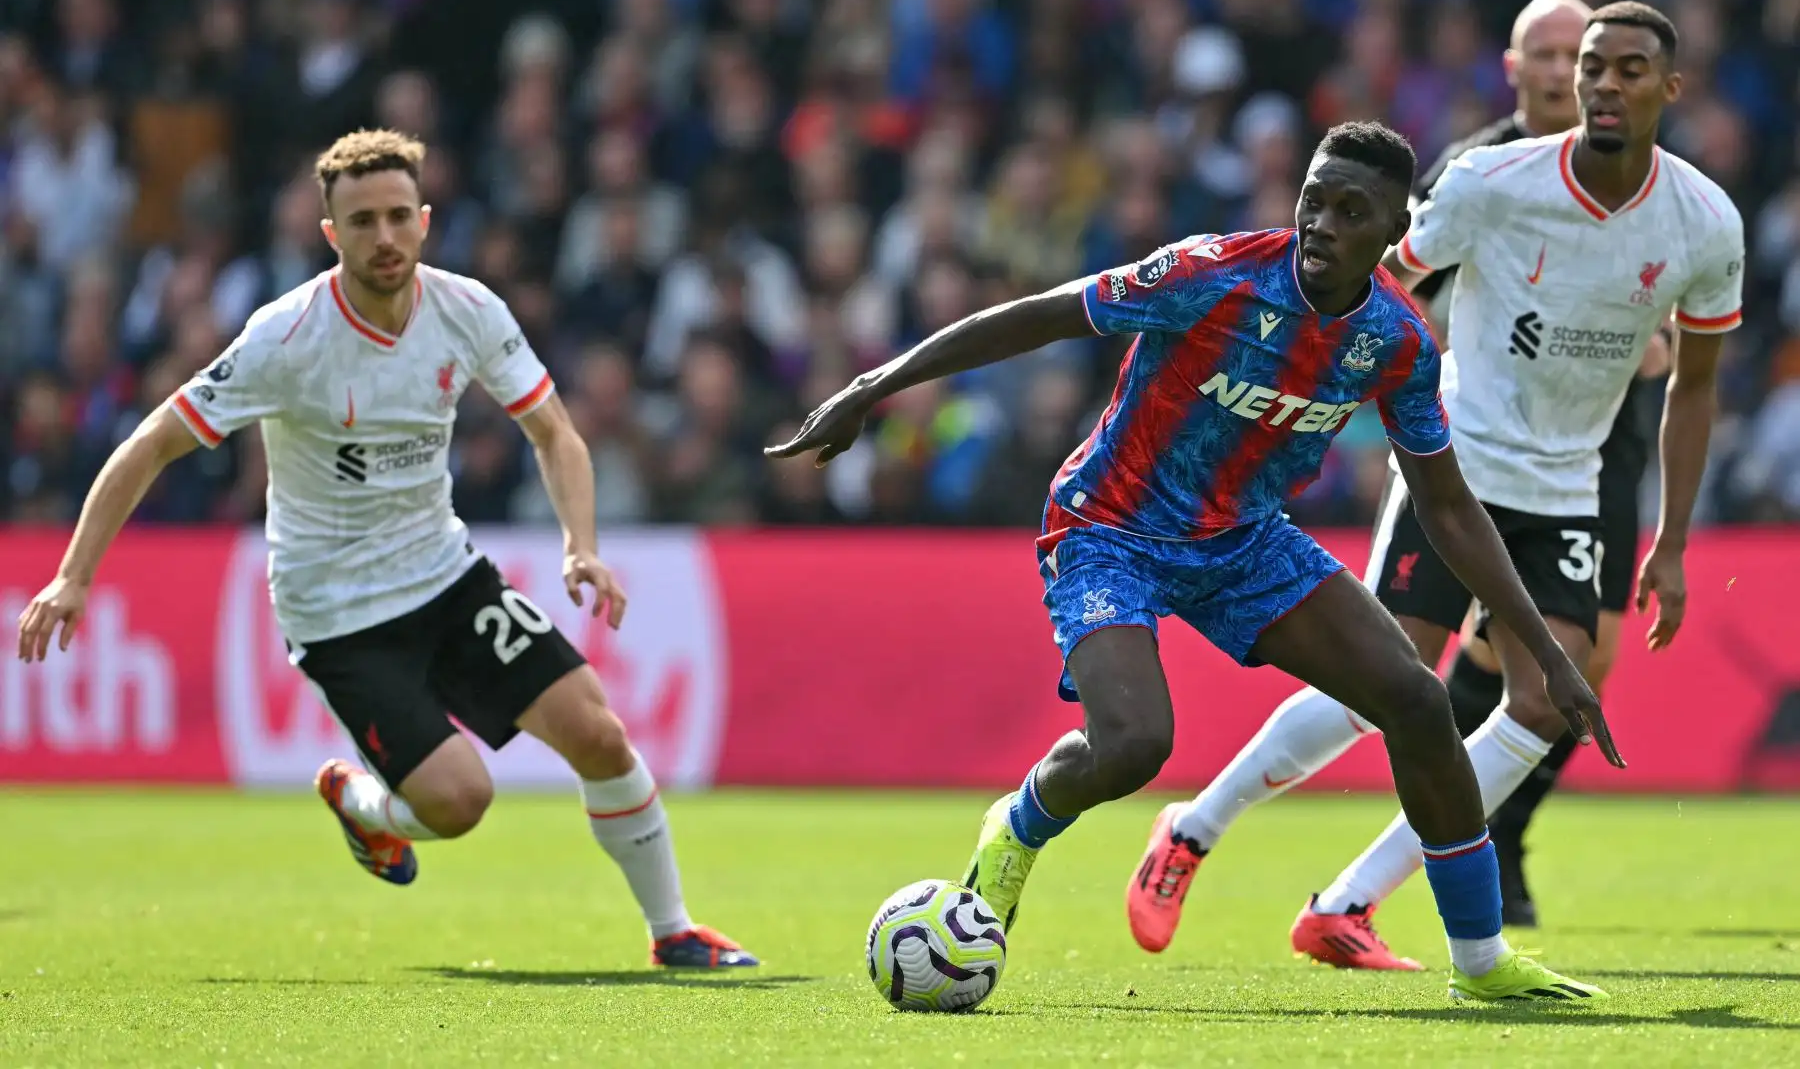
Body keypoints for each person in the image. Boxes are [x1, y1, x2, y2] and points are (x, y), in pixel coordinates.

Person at [770, 120, 1620, 1002]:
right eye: (1313, 201)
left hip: (1245, 541)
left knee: (1416, 700)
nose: (1322, 223)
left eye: (1350, 210)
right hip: (1110, 528)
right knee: (1137, 743)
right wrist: (875, 387)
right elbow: (1038, 317)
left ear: (1392, 232)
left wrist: (1552, 657)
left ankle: (1480, 964)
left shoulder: (1398, 343)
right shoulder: (1213, 273)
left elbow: (1447, 505)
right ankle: (1017, 828)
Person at [15, 129, 757, 970]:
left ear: (426, 221)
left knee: (597, 732)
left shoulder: (466, 309)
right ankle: (362, 801)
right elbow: (151, 442)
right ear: (330, 232)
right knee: (459, 801)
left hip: (443, 574)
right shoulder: (285, 337)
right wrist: (74, 577)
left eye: (400, 217)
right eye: (362, 221)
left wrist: (579, 547)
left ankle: (674, 931)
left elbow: (555, 433)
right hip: (336, 612)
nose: (385, 237)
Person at [1130, 2, 1741, 969]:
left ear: (1671, 89)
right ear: (1547, 75)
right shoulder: (1490, 179)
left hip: (1570, 487)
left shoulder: (1704, 222)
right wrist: (1352, 400)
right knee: (1386, 685)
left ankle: (1347, 903)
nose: (1599, 84)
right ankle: (1194, 829)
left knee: (1550, 702)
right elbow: (1385, 285)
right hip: (1455, 472)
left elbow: (1695, 386)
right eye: (1587, 65)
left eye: (1627, 68)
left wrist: (1669, 542)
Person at [1413, 0, 1672, 928]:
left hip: (1604, 448)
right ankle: (1456, 834)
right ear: (1516, 66)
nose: (1569, 71)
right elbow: (1413, 290)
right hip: (1484, 445)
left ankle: (1490, 830)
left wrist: (1657, 339)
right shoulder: (1477, 169)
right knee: (1497, 655)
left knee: (1582, 669)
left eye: (1583, 53)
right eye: (1550, 53)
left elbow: (1669, 310)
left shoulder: (1641, 175)